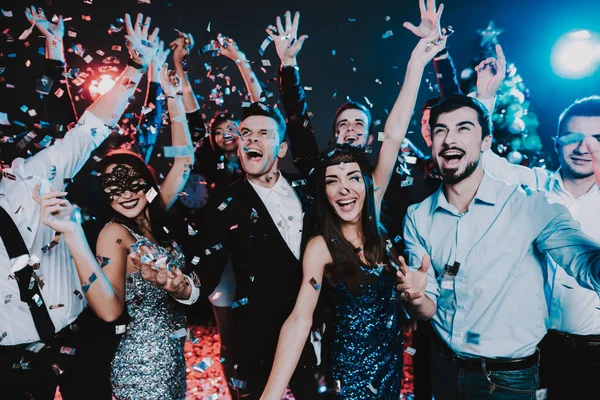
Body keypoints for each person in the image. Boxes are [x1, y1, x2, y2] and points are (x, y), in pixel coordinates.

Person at [259, 13, 446, 399]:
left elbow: (394, 134)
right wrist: (270, 395)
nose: (344, 189)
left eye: (351, 179)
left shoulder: (377, 196)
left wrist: (418, 61)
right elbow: (298, 318)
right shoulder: (321, 246)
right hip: (344, 373)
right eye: (332, 181)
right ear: (324, 191)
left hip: (390, 365)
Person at [399, 94, 600, 399]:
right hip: (443, 367)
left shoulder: (532, 205)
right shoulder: (418, 217)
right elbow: (427, 307)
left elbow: (585, 263)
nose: (450, 138)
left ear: (485, 142)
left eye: (463, 128)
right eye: (441, 130)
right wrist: (415, 298)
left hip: (507, 379)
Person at [0, 9, 155, 400]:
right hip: (8, 357)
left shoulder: (29, 176)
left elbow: (87, 130)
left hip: (77, 337)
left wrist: (136, 66)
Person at [88, 45, 200, 398]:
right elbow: (110, 308)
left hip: (173, 360)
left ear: (145, 184)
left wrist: (172, 98)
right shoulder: (114, 233)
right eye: (113, 187)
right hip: (140, 365)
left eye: (131, 182)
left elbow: (183, 164)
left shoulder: (154, 211)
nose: (124, 194)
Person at [474, 96, 600, 399]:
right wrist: (485, 98)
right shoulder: (534, 186)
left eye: (596, 139)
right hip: (538, 349)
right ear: (556, 142)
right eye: (573, 138)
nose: (584, 148)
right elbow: (483, 160)